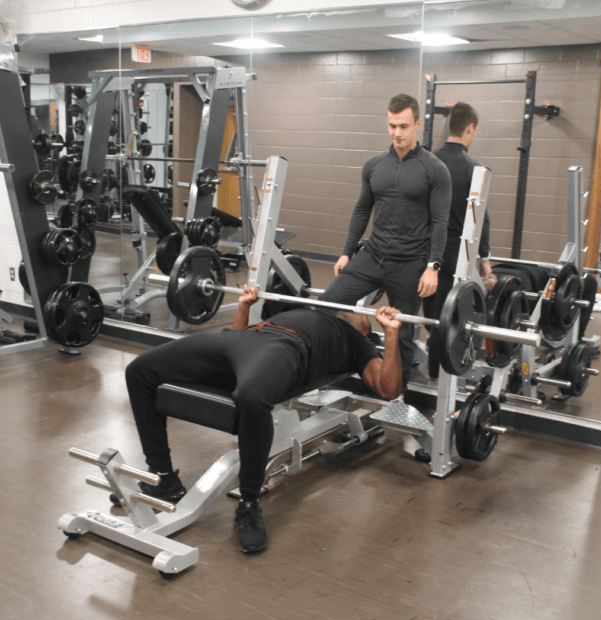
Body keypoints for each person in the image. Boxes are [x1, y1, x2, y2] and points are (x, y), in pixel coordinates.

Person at [120, 287, 404, 554]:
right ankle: (164, 479)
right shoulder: (308, 309)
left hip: (286, 347)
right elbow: (238, 351)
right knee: (139, 370)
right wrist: (244, 307)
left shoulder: (359, 345)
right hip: (246, 338)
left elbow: (388, 388)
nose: (353, 309)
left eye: (359, 312)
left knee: (252, 397)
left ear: (365, 328)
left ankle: (248, 504)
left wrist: (390, 334)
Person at [318, 93, 451, 391]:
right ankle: (345, 359)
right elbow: (362, 209)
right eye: (392, 126)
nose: (397, 133)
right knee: (326, 305)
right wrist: (345, 253)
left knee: (401, 334)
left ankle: (395, 394)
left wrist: (433, 266)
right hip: (373, 254)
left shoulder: (434, 169)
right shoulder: (374, 165)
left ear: (417, 124)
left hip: (410, 263)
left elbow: (441, 221)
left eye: (403, 126)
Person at [422, 102, 492, 380]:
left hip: (424, 250)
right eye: (475, 131)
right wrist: (484, 257)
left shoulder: (425, 160)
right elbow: (482, 218)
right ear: (469, 129)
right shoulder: (474, 167)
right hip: (454, 252)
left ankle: (430, 370)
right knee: (450, 315)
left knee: (430, 313)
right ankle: (444, 375)